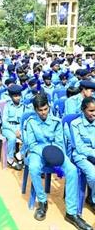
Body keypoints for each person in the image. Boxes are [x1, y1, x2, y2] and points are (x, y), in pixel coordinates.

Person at [26, 93, 91, 229]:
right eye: (40, 110)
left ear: (48, 106)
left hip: (56, 152)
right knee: (33, 167)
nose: (43, 113)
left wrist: (52, 154)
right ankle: (42, 202)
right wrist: (45, 152)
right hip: (38, 153)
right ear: (35, 110)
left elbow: (59, 143)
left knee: (72, 170)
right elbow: (31, 144)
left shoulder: (56, 122)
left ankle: (71, 212)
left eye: (45, 109)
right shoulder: (31, 123)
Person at [71, 97, 95, 214]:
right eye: (91, 111)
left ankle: (91, 197)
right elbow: (79, 147)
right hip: (81, 156)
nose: (94, 113)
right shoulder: (75, 124)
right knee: (93, 174)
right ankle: (93, 200)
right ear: (83, 110)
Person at [1, 84, 25, 170]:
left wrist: (20, 130)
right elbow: (4, 122)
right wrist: (15, 130)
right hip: (8, 128)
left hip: (19, 128)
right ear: (11, 96)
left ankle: (20, 156)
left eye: (19, 95)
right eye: (15, 96)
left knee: (27, 137)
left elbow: (24, 120)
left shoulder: (23, 106)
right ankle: (10, 159)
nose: (18, 98)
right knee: (12, 138)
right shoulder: (7, 106)